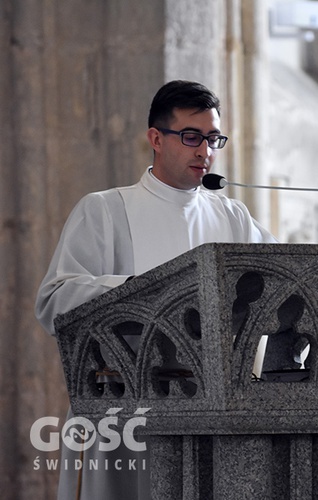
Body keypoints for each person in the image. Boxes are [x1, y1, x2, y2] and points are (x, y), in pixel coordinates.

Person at [35, 80, 277, 500]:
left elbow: (280, 284)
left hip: (213, 413)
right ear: (156, 139)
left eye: (213, 138)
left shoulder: (234, 217)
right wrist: (138, 291)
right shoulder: (106, 210)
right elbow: (54, 300)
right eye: (191, 137)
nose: (205, 151)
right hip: (126, 410)